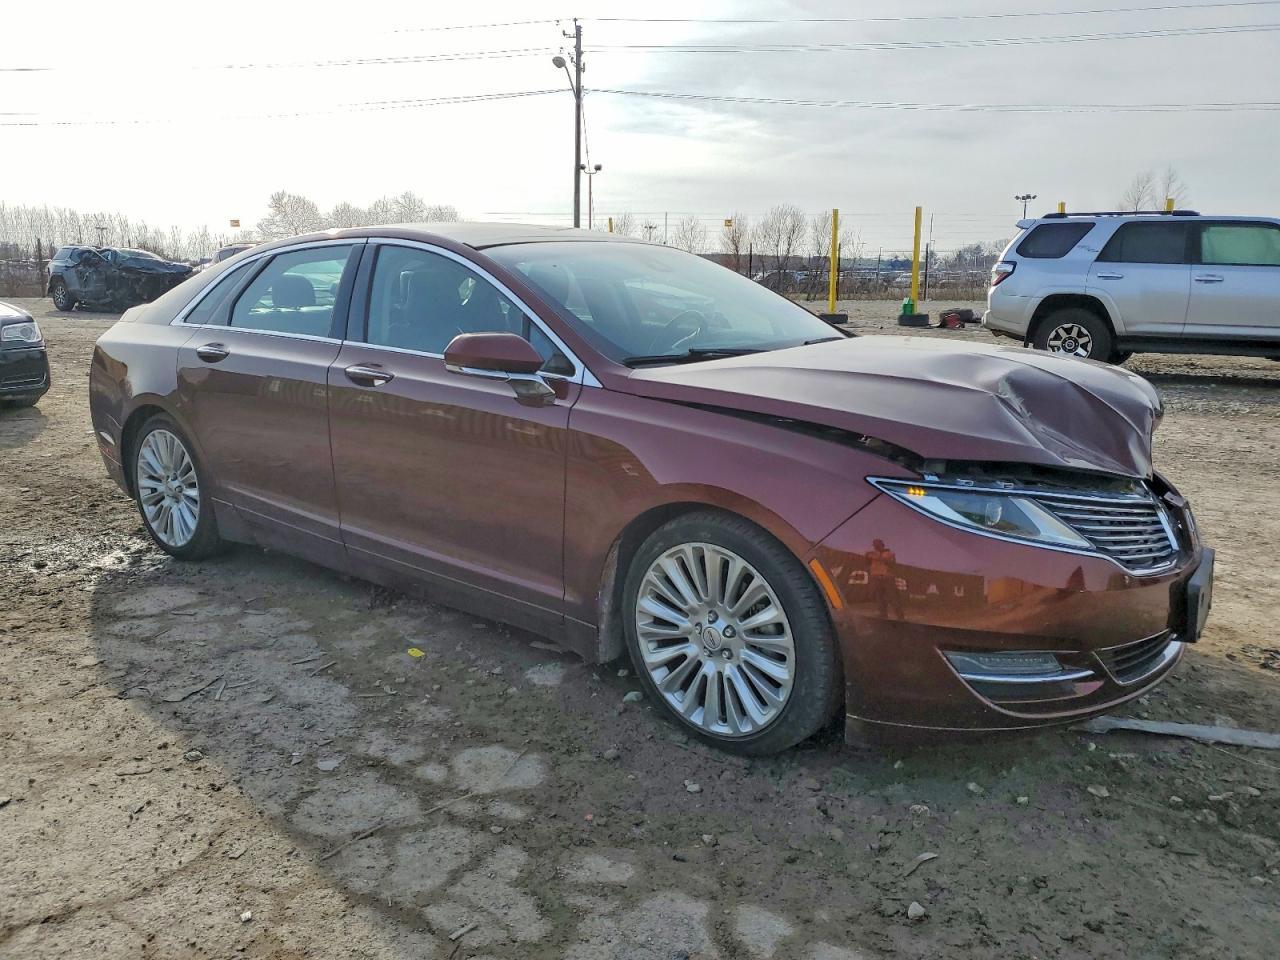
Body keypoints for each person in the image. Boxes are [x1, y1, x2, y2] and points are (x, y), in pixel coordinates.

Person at [866, 538, 905, 620]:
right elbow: (867, 562)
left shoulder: (890, 553)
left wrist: (880, 557)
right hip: (876, 578)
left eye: (877, 545)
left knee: (893, 598)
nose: (875, 547)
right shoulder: (872, 553)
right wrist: (869, 556)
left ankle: (900, 617)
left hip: (887, 578)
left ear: (881, 545)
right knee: (879, 598)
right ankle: (883, 615)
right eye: (874, 545)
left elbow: (892, 564)